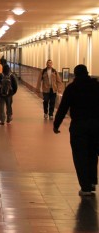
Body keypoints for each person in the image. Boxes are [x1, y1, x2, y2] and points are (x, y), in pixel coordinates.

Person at [53, 64, 99, 196]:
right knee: (92, 154)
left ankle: (85, 188)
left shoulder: (72, 88)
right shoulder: (96, 86)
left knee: (80, 156)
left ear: (75, 74)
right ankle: (91, 182)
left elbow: (63, 108)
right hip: (96, 125)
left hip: (79, 126)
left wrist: (56, 125)